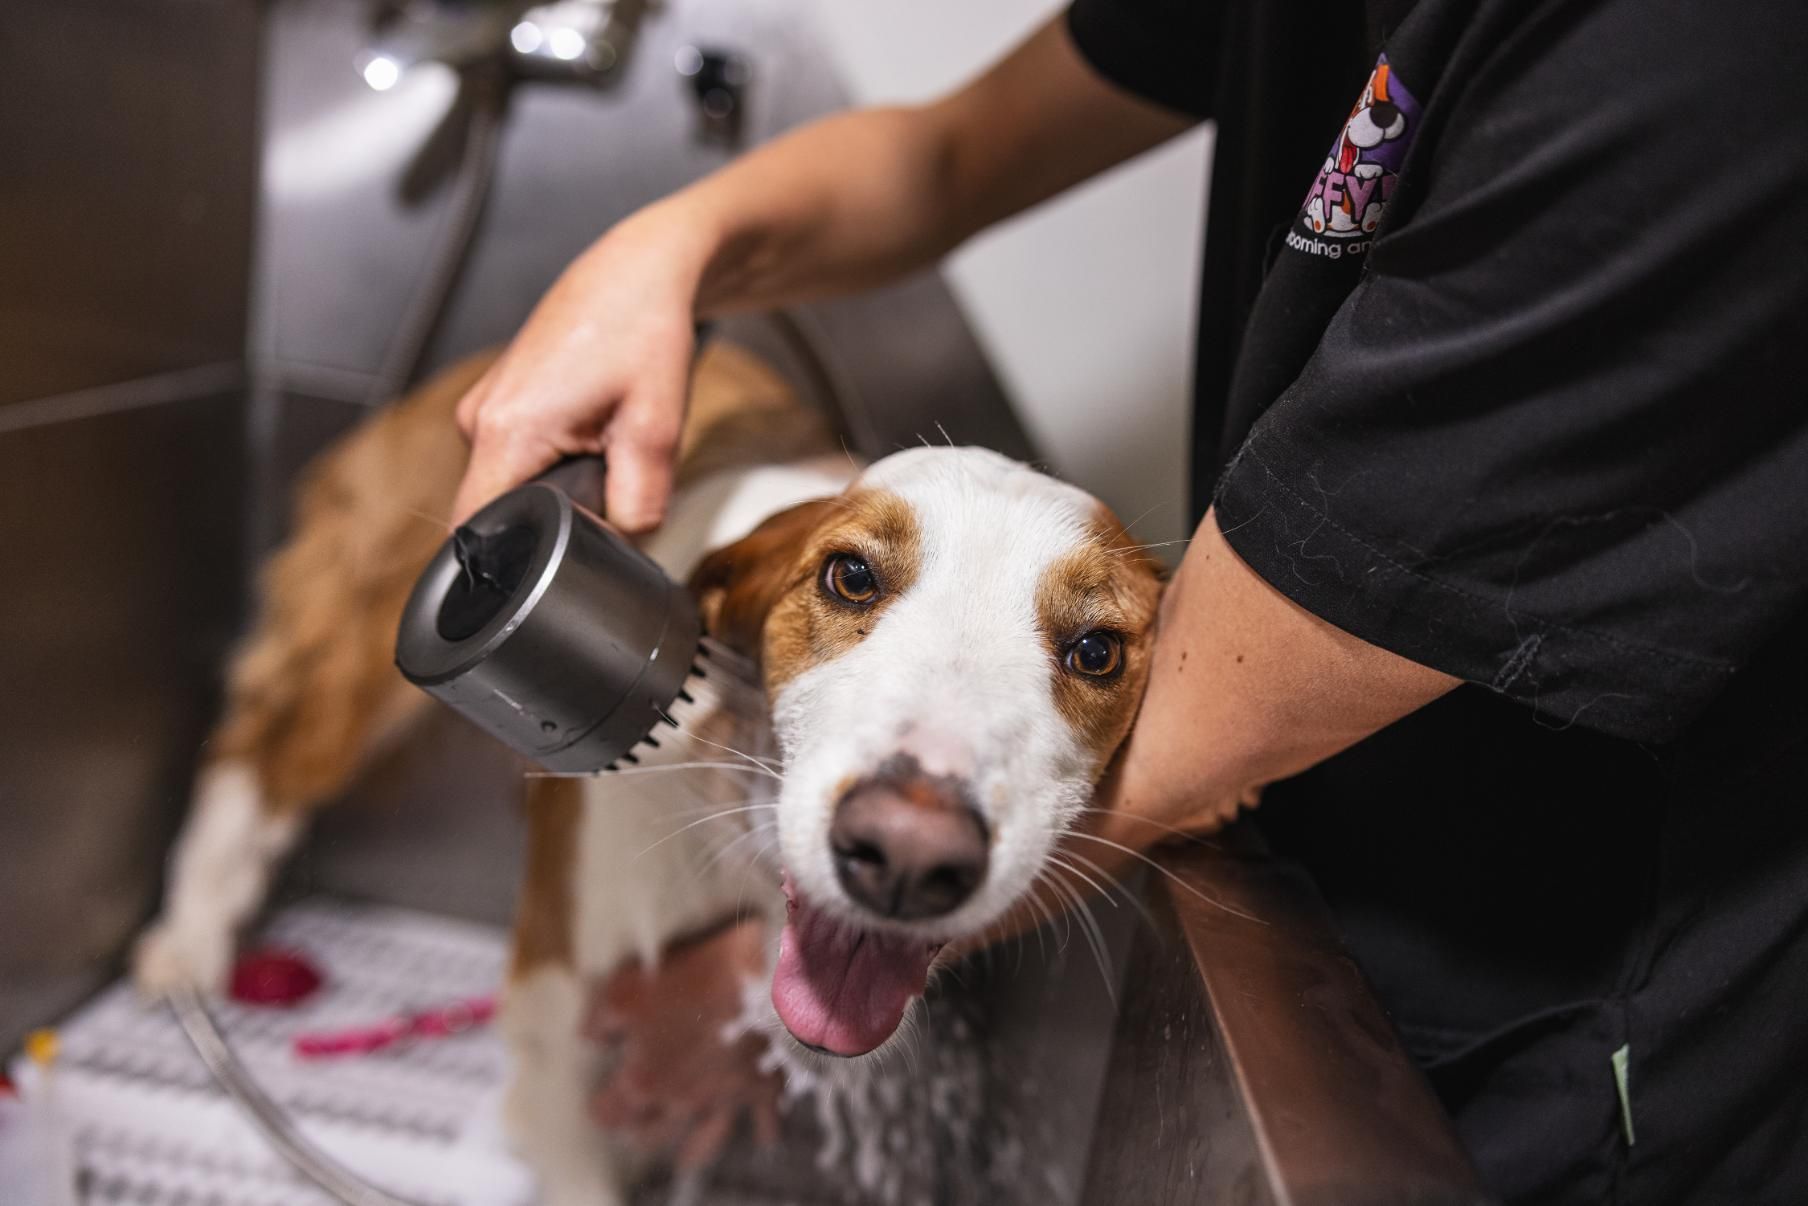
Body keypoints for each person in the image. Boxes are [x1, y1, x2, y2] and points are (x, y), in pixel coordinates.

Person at [451, 3, 1808, 1201]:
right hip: (1315, 839)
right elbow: (950, 155)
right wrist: (666, 248)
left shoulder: (1685, 49)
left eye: (1091, 643)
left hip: (1584, 983)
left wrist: (761, 976)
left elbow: (1202, 727)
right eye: (856, 580)